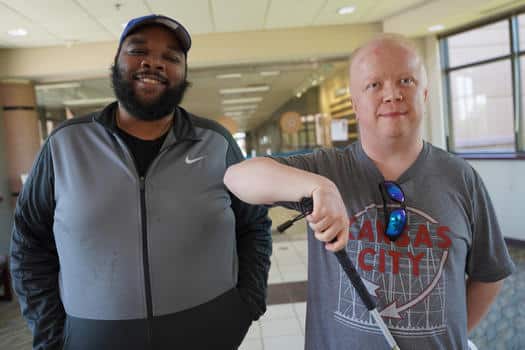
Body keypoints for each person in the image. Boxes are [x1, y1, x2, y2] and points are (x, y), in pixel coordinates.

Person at [224, 34, 515, 350]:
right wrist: (317, 186)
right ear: (354, 103)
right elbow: (237, 177)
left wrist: (449, 335)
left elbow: (490, 272)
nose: (392, 94)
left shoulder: (461, 178)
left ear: (426, 94)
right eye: (374, 85)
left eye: (406, 80)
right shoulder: (326, 167)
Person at [10, 14, 272, 350]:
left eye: (171, 57)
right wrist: (51, 335)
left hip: (208, 332)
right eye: (138, 51)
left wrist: (247, 303)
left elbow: (253, 225)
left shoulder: (216, 143)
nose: (154, 63)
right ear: (116, 63)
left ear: (184, 74)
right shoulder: (65, 145)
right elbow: (29, 244)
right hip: (94, 340)